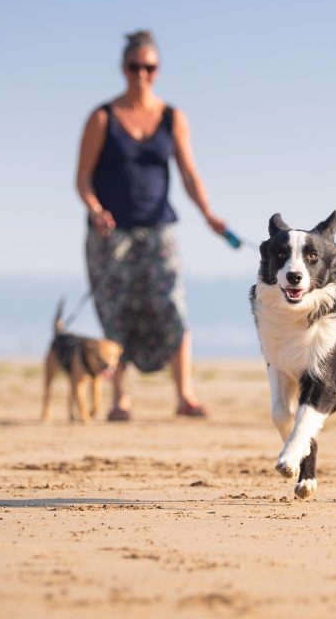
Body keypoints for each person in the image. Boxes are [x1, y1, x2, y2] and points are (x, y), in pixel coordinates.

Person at [75, 30, 227, 420]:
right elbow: (83, 179)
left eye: (150, 67)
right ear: (123, 69)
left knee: (172, 307)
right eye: (134, 67)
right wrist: (95, 209)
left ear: (158, 70)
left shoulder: (172, 117)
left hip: (159, 229)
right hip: (111, 234)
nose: (142, 74)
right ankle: (119, 399)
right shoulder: (102, 117)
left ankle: (185, 395)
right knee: (115, 313)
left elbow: (190, 174)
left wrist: (208, 213)